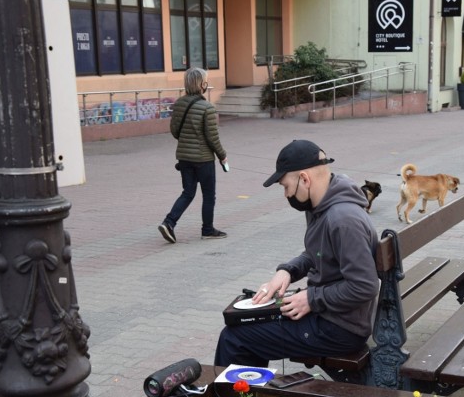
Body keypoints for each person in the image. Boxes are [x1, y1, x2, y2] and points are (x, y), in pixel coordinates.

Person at [214, 140, 379, 367]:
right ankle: (252, 396)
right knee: (243, 323)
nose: (286, 195)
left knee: (234, 339)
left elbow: (364, 286)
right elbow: (319, 252)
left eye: (286, 186)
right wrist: (287, 272)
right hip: (333, 314)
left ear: (304, 179)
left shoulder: (343, 219)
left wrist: (311, 299)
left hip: (341, 328)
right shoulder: (321, 205)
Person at [158, 67, 228, 243]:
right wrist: (222, 155)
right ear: (202, 84)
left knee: (188, 193)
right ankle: (207, 229)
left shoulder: (179, 104)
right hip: (203, 159)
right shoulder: (207, 108)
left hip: (184, 158)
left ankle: (169, 223)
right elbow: (212, 137)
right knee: (208, 194)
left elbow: (175, 131)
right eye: (206, 81)